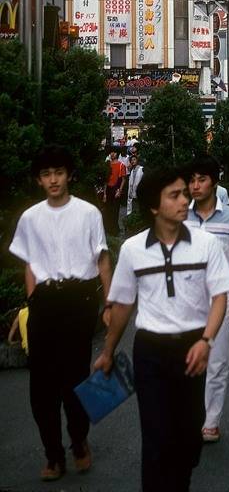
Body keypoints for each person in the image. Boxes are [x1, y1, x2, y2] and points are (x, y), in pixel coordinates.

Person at [94, 167, 229, 492]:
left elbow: (220, 297)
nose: (185, 200)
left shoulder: (205, 244)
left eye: (185, 193)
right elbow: (123, 305)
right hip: (151, 351)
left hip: (193, 348)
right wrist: (107, 351)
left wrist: (206, 340)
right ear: (154, 206)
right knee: (156, 437)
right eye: (175, 195)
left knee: (189, 436)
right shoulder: (133, 249)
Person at [9, 145, 112, 481]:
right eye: (46, 174)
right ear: (39, 180)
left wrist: (109, 303)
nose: (53, 180)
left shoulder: (88, 213)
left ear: (68, 175)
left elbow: (102, 259)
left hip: (79, 301)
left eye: (59, 173)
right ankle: (53, 455)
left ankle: (79, 441)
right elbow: (29, 263)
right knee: (41, 387)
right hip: (44, 303)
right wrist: (32, 301)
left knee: (75, 380)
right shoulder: (30, 218)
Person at [185, 155, 229, 442]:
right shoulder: (181, 216)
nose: (195, 185)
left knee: (216, 360)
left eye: (201, 179)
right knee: (186, 358)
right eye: (191, 180)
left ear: (214, 183)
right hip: (187, 298)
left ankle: (211, 420)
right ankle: (189, 414)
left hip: (222, 298)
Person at [103, 147, 127, 236]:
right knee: (108, 210)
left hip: (116, 189)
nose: (112, 154)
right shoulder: (108, 165)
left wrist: (119, 191)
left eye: (114, 152)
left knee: (115, 210)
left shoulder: (121, 165)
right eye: (111, 152)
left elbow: (124, 179)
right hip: (108, 189)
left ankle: (115, 230)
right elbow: (105, 180)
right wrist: (104, 194)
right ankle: (108, 229)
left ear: (117, 154)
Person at [122, 152, 144, 233]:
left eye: (134, 160)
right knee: (133, 210)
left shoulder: (141, 169)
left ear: (137, 160)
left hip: (139, 194)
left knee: (139, 210)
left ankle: (139, 228)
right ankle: (133, 228)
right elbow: (130, 184)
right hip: (132, 195)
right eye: (131, 160)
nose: (133, 161)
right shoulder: (132, 171)